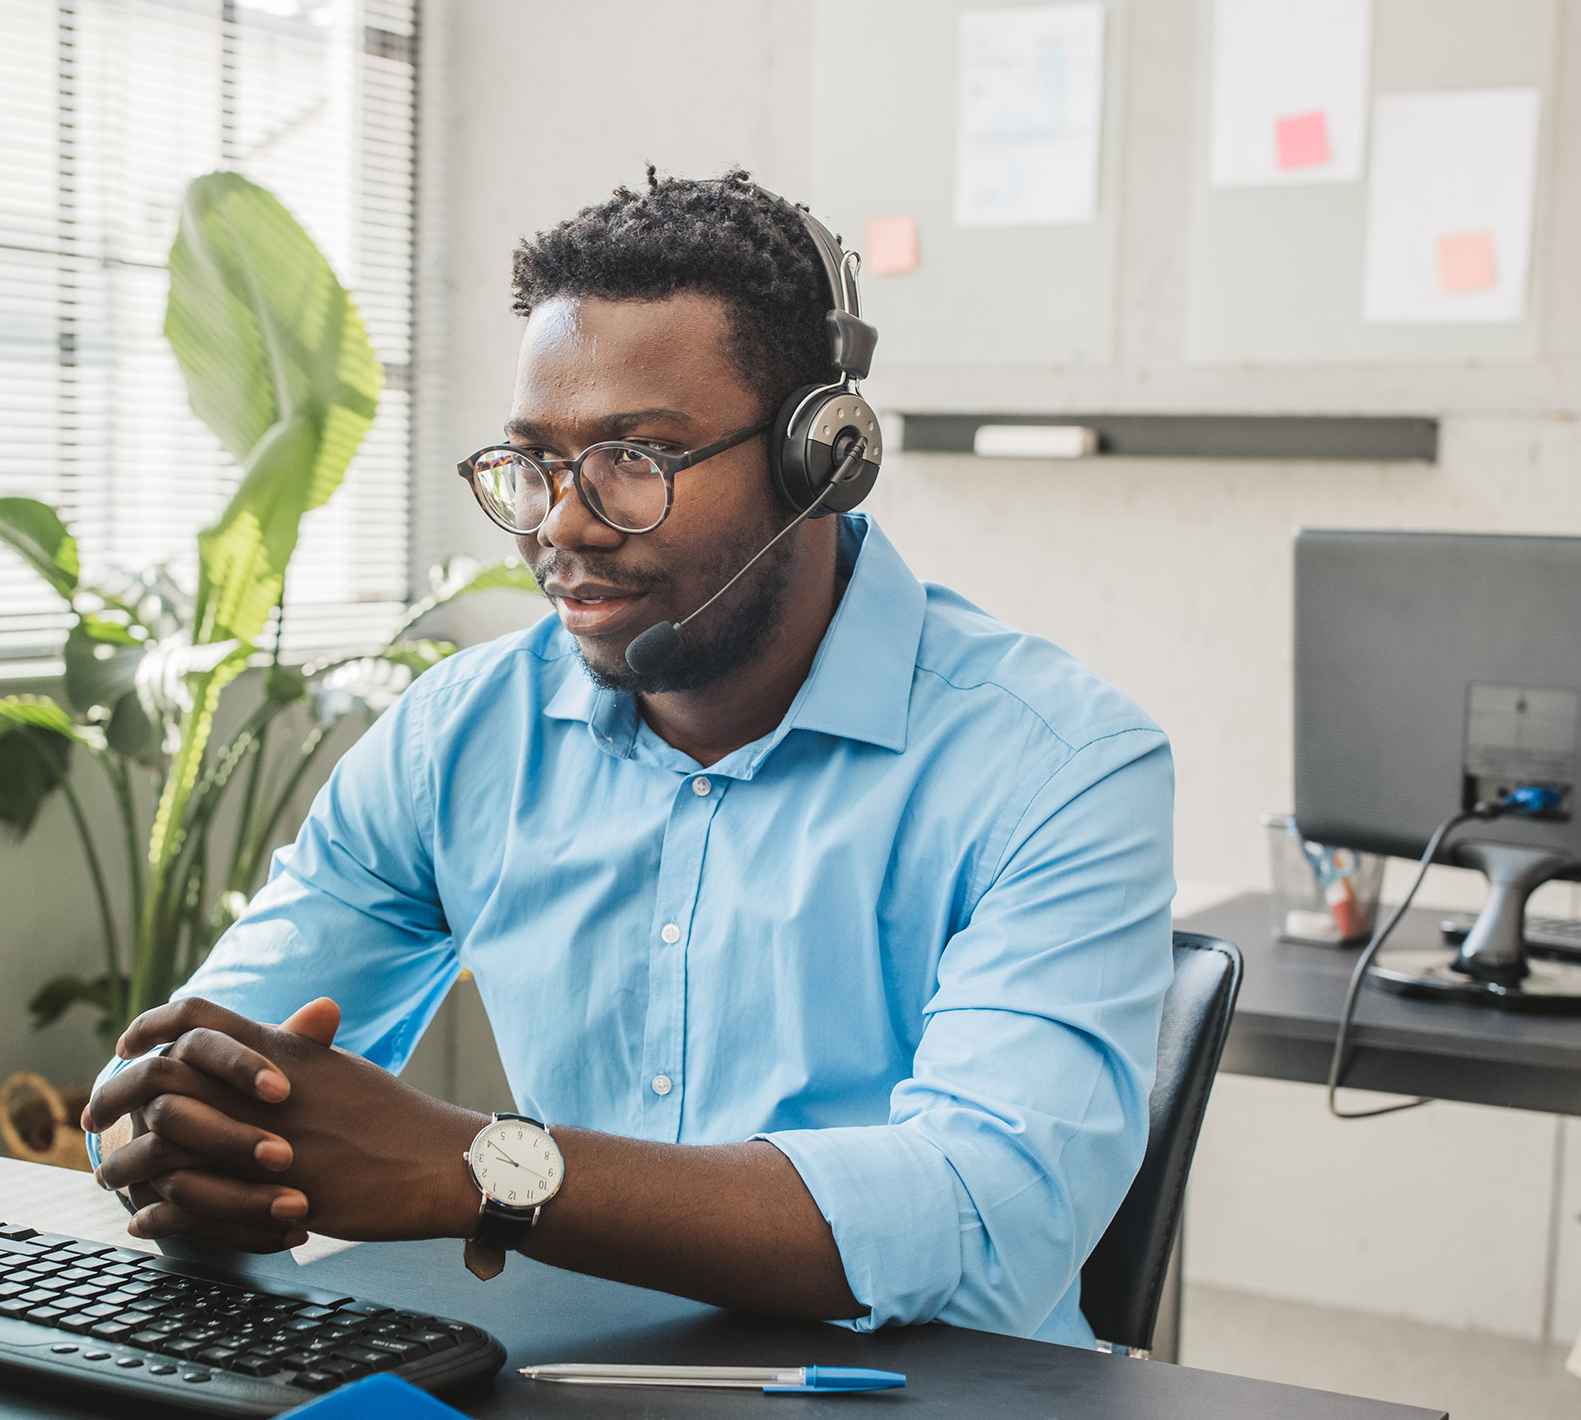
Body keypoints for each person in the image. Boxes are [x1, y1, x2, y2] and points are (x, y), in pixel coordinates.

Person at [82, 169, 1174, 1347]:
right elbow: (205, 1066)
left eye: (636, 457)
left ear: (822, 459)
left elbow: (985, 1226)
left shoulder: (1060, 765)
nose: (562, 520)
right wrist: (184, 1135)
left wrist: (485, 1167)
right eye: (536, 462)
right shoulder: (461, 734)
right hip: (568, 1373)